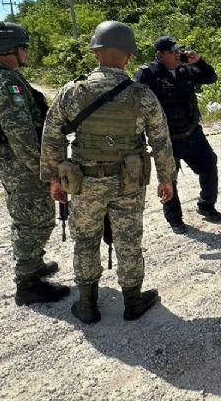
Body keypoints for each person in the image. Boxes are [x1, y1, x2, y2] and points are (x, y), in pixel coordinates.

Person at [40, 21, 177, 323]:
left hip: (84, 182)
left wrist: (53, 179)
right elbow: (161, 140)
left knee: (86, 239)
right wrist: (167, 178)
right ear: (128, 57)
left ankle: (88, 305)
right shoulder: (141, 95)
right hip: (128, 182)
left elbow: (52, 137)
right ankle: (133, 301)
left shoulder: (71, 93)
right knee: (128, 238)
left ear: (95, 53)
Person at [0, 21, 70, 306]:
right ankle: (27, 282)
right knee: (34, 220)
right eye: (22, 47)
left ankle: (33, 264)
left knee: (25, 215)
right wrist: (49, 173)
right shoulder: (5, 82)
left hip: (7, 160)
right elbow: (22, 135)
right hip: (22, 164)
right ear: (6, 47)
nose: (25, 52)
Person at [134, 35, 221, 233]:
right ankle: (174, 219)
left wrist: (198, 61)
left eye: (177, 51)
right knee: (169, 179)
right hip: (166, 139)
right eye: (172, 52)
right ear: (159, 55)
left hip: (192, 132)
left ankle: (206, 205)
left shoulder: (183, 69)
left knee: (209, 164)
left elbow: (210, 78)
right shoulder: (146, 74)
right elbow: (136, 107)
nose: (177, 55)